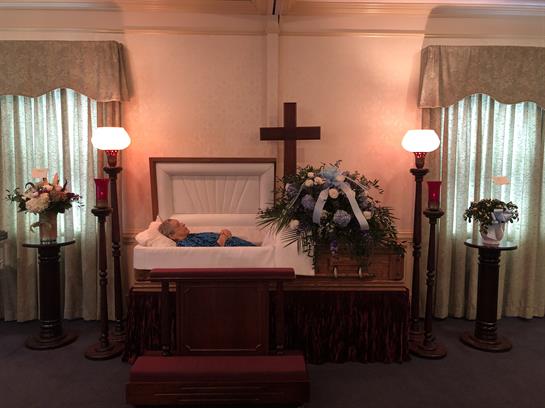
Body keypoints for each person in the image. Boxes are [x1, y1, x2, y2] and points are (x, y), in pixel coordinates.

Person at [158, 218, 255, 247]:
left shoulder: (190, 237)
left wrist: (224, 233)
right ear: (172, 235)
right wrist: (223, 237)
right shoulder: (185, 244)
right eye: (178, 225)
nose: (183, 224)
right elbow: (208, 255)